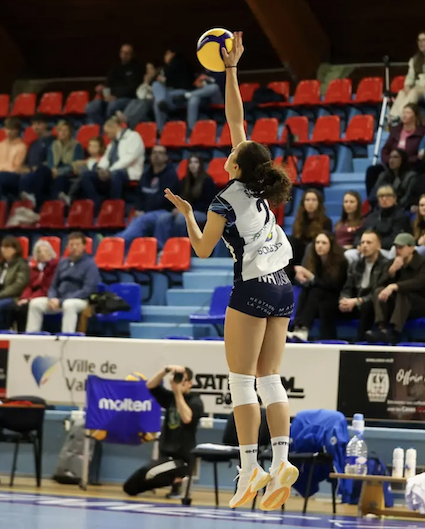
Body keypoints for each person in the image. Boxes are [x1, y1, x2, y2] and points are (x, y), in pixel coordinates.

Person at [162, 32, 298, 511]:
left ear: (236, 164)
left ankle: (249, 470)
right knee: (270, 379)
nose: (230, 146)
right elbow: (235, 117)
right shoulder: (258, 183)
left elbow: (201, 249)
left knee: (241, 381)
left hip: (253, 287)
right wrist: (232, 70)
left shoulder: (224, 198)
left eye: (234, 150)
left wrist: (185, 213)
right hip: (284, 286)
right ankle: (280, 460)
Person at [124, 365, 204, 498]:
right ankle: (176, 482)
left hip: (182, 460)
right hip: (166, 457)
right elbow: (151, 385)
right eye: (177, 379)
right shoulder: (170, 398)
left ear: (190, 383)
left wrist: (177, 392)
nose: (178, 383)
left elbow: (186, 418)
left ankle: (180, 481)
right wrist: (166, 371)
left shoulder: (196, 401)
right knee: (130, 487)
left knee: (147, 473)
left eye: (182, 380)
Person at [362, 233, 425, 344]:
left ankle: (395, 332)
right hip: (399, 305)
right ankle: (381, 328)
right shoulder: (392, 263)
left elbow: (419, 283)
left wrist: (395, 286)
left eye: (401, 247)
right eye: (396, 247)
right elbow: (377, 285)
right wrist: (391, 273)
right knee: (379, 291)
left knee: (403, 292)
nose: (398, 250)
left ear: (411, 248)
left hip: (422, 305)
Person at [26, 232, 99, 335]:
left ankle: (67, 338)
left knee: (68, 305)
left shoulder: (90, 265)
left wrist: (61, 301)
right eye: (71, 245)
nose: (74, 247)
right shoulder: (63, 263)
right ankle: (32, 337)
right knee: (35, 304)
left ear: (84, 246)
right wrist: (52, 298)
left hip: (80, 300)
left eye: (77, 244)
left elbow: (87, 290)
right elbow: (53, 285)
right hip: (59, 299)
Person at [113, 145, 180, 250]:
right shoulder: (145, 175)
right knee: (136, 219)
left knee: (142, 220)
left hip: (164, 212)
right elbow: (139, 195)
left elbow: (164, 199)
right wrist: (139, 209)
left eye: (160, 153)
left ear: (166, 158)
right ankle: (121, 248)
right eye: (154, 153)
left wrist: (144, 212)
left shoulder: (171, 176)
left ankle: (116, 241)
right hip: (146, 213)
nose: (156, 155)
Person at [79, 115, 146, 211]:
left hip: (128, 172)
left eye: (107, 132)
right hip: (111, 172)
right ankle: (97, 203)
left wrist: (110, 171)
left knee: (116, 174)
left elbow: (129, 158)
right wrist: (100, 169)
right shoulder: (112, 143)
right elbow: (106, 158)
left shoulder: (133, 137)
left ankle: (115, 208)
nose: (106, 135)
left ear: (114, 128)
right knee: (87, 175)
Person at [290, 233, 348, 342]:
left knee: (316, 291)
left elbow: (333, 285)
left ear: (331, 245)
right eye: (317, 242)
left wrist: (311, 277)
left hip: (334, 298)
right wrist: (302, 279)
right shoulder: (313, 260)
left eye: (324, 243)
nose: (320, 245)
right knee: (306, 291)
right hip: (318, 299)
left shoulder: (340, 262)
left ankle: (304, 328)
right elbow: (312, 283)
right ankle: (297, 327)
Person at [0, 115, 52, 208]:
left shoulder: (24, 146)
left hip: (23, 174)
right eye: (33, 124)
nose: (36, 127)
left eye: (38, 124)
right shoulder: (33, 144)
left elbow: (17, 167)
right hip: (17, 173)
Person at [156, 155, 218, 248]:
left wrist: (186, 210)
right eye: (190, 163)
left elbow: (208, 204)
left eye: (196, 162)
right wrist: (177, 208)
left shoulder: (207, 181)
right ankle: (162, 248)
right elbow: (180, 197)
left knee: (181, 219)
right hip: (186, 211)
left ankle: (180, 247)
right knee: (163, 218)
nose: (193, 165)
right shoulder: (185, 180)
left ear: (200, 165)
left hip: (202, 212)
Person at [339, 230, 391, 342]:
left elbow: (377, 291)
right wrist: (344, 299)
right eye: (362, 242)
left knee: (367, 306)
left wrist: (357, 301)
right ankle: (327, 341)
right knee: (328, 304)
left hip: (371, 303)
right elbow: (348, 286)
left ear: (378, 246)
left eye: (369, 242)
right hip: (355, 301)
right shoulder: (356, 264)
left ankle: (360, 342)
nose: (364, 246)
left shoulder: (385, 265)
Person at [152, 49, 222, 130]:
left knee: (213, 87)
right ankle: (161, 129)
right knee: (157, 91)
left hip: (216, 97)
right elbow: (195, 84)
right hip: (195, 95)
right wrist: (199, 83)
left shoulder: (221, 70)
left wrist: (209, 80)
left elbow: (221, 85)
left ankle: (190, 128)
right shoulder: (203, 72)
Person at [85, 43, 146, 127]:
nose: (124, 55)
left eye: (127, 53)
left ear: (132, 55)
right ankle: (104, 127)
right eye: (122, 52)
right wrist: (104, 91)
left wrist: (114, 95)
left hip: (128, 99)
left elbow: (132, 89)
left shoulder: (137, 68)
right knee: (91, 107)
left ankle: (111, 129)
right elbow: (108, 84)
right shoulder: (115, 67)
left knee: (113, 105)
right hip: (111, 97)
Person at [347, 185, 409, 263]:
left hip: (386, 250)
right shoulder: (372, 216)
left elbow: (395, 238)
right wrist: (359, 244)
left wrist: (374, 245)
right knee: (349, 254)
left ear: (394, 198)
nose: (384, 199)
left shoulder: (401, 217)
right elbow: (359, 233)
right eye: (381, 196)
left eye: (387, 196)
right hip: (367, 247)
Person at [391, 32, 425, 120]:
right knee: (402, 92)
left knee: (413, 92)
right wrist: (407, 85)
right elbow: (410, 75)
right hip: (416, 86)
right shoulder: (415, 58)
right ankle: (392, 116)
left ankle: (401, 116)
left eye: (424, 40)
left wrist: (418, 86)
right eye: (419, 40)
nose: (421, 43)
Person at [16, 240, 57, 333]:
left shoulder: (54, 268)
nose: (42, 254)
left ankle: (27, 334)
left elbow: (46, 287)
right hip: (33, 297)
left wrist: (30, 299)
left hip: (46, 296)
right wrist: (24, 297)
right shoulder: (34, 269)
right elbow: (28, 286)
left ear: (51, 253)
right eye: (39, 251)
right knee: (17, 306)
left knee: (25, 308)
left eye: (45, 251)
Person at [289, 189, 333, 265]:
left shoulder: (326, 221)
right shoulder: (298, 221)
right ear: (303, 203)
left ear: (319, 203)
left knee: (310, 246)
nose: (310, 203)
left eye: (314, 200)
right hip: (299, 251)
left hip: (315, 251)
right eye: (307, 200)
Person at [49, 120, 85, 203]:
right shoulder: (53, 145)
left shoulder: (76, 145)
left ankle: (56, 203)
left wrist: (59, 171)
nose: (62, 133)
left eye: (65, 130)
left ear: (70, 132)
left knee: (59, 178)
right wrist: (52, 169)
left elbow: (76, 164)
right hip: (53, 171)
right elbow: (50, 161)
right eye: (60, 130)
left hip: (68, 172)